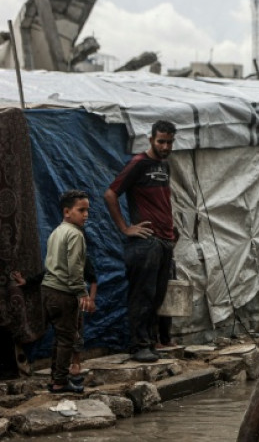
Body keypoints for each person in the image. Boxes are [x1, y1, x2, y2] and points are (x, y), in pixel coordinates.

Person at [104, 120, 178, 363]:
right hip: (146, 242)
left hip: (165, 240)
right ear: (151, 140)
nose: (165, 146)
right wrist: (125, 228)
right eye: (161, 141)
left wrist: (171, 228)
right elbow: (111, 193)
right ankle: (139, 345)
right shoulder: (138, 163)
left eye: (169, 142)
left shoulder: (163, 165)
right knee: (142, 296)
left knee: (158, 296)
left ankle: (152, 341)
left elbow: (161, 202)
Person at [40, 190, 94, 393]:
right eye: (81, 210)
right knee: (67, 339)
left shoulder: (56, 232)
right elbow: (74, 268)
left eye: (87, 210)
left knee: (60, 337)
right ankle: (60, 382)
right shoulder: (75, 234)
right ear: (67, 211)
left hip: (48, 290)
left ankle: (56, 377)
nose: (86, 215)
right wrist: (82, 293)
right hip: (63, 293)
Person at [12, 257, 96, 384]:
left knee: (75, 332)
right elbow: (45, 274)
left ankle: (73, 364)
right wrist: (26, 281)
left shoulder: (82, 258)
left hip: (74, 299)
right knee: (61, 337)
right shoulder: (59, 257)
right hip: (59, 299)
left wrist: (90, 300)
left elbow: (93, 280)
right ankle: (58, 377)